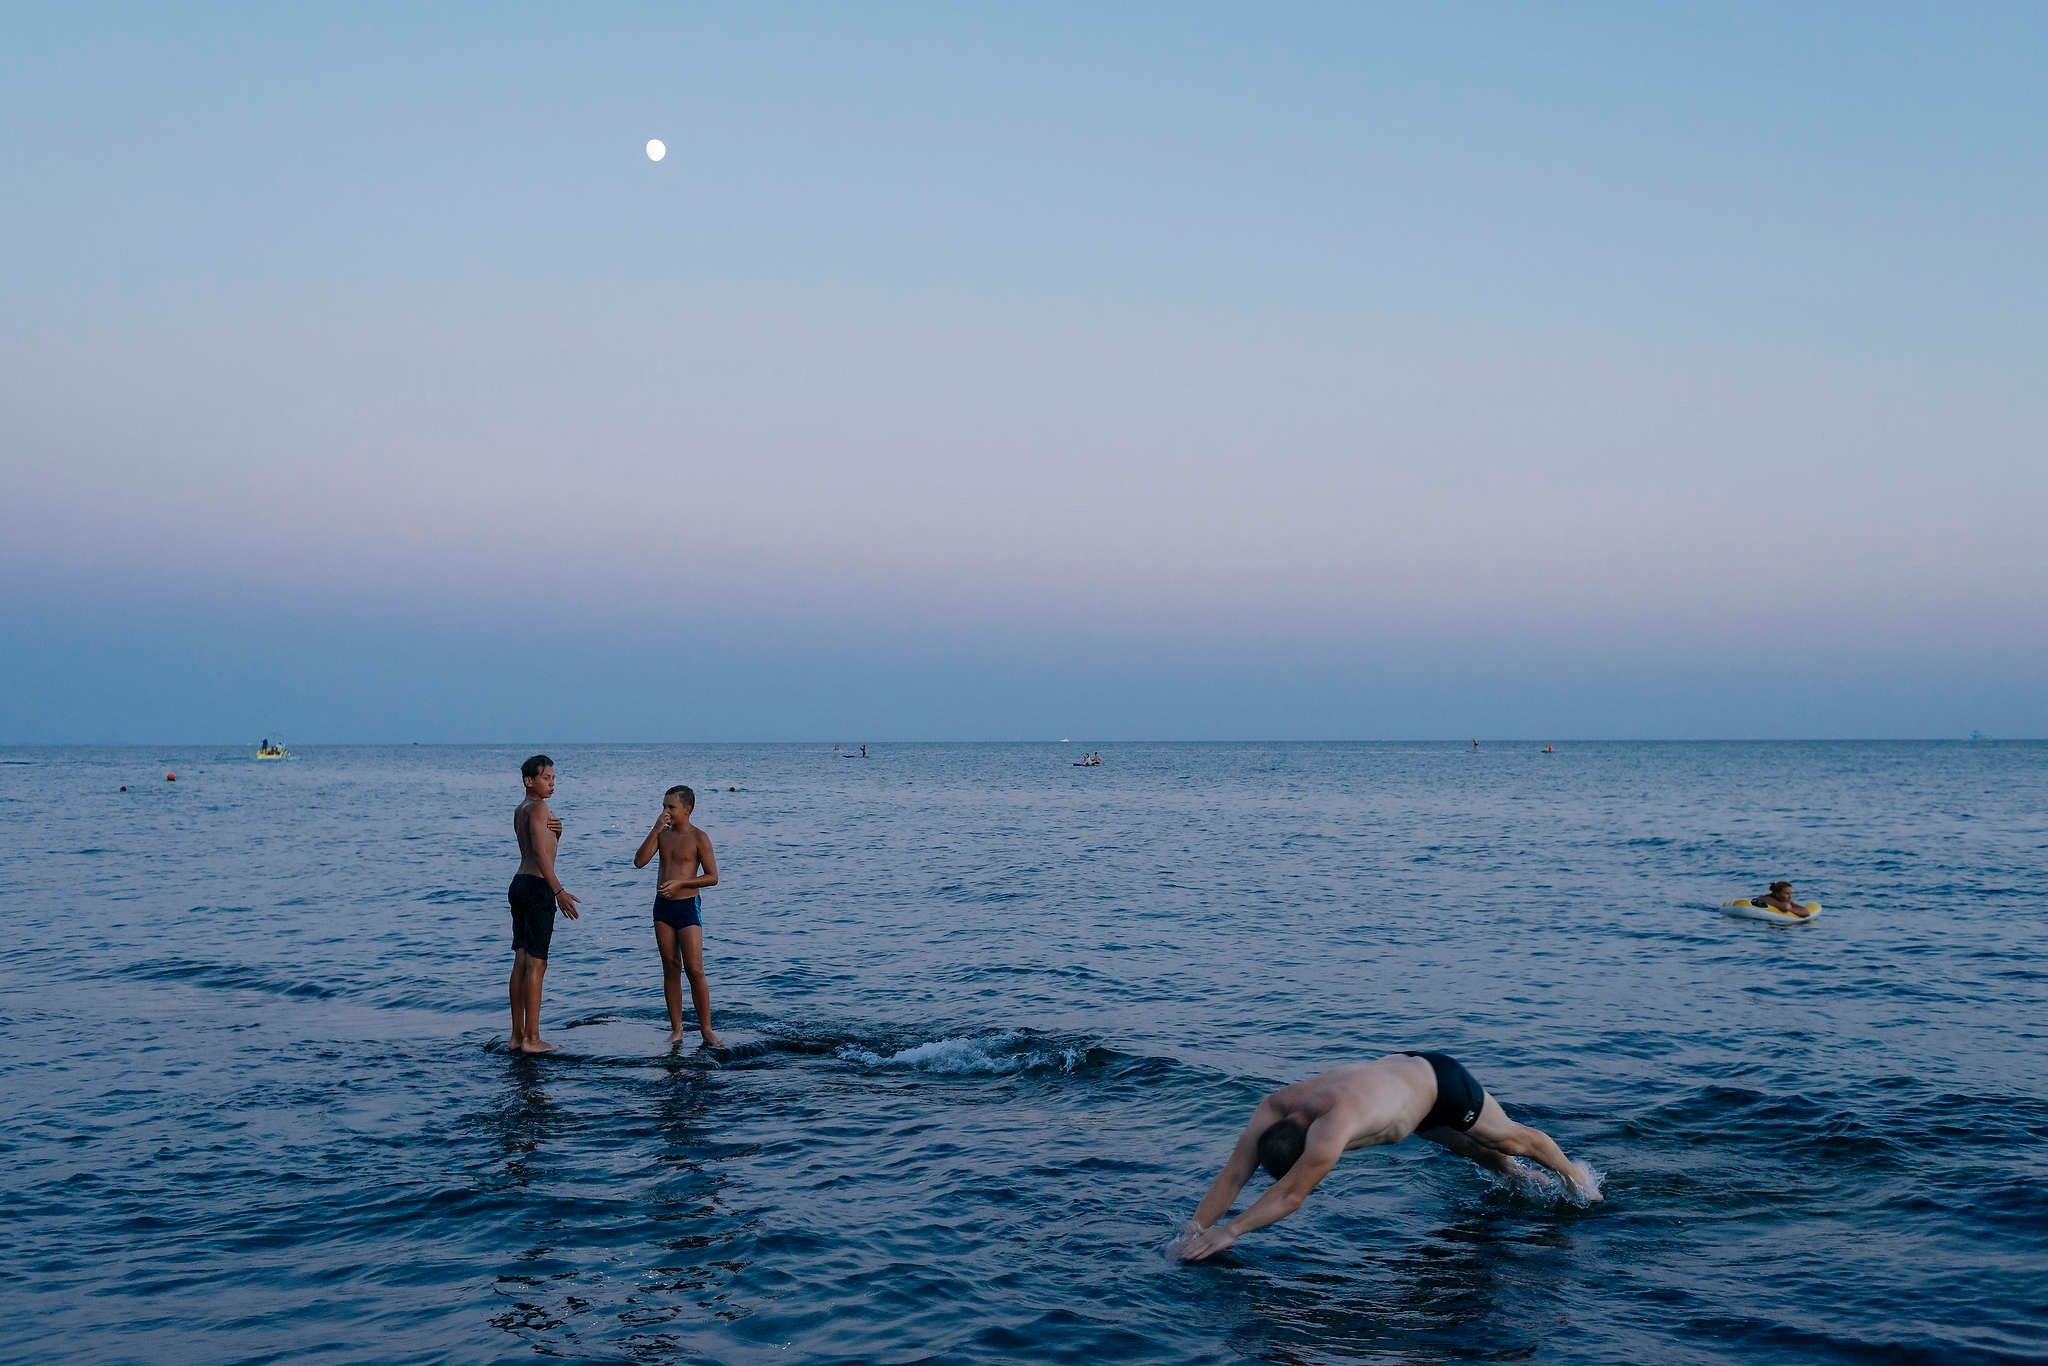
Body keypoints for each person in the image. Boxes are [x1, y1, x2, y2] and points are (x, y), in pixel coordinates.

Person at [1176, 1052, 1599, 1263]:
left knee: (1510, 1140)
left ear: (1309, 1146)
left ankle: (1575, 1178)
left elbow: (1291, 1196)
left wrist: (1230, 1231)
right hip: (1406, 1098)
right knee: (1475, 1151)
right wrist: (1193, 1232)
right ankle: (1526, 1183)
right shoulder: (1272, 1108)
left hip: (1441, 1084)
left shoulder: (1331, 1131)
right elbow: (1233, 1174)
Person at [633, 784, 722, 1046]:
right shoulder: (663, 834)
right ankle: (677, 1029)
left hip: (687, 907)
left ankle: (706, 1028)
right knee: (671, 967)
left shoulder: (699, 838)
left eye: (671, 807)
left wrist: (682, 883)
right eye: (663, 807)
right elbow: (639, 861)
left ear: (688, 809)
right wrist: (656, 828)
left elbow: (713, 877)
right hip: (662, 908)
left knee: (694, 969)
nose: (666, 812)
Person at [508, 754, 579, 1054]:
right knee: (537, 962)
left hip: (519, 884)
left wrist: (557, 834)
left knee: (522, 960)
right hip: (537, 887)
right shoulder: (538, 808)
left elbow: (538, 845)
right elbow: (539, 854)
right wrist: (558, 891)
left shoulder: (521, 809)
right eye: (546, 778)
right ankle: (532, 1039)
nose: (552, 783)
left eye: (553, 779)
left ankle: (516, 1036)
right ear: (529, 781)